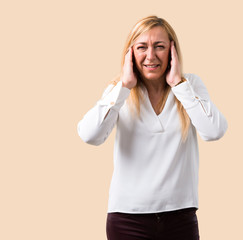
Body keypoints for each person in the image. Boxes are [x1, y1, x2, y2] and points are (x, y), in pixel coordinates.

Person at [77, 15, 228, 240]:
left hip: (181, 216)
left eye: (159, 47)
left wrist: (178, 84)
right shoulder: (119, 90)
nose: (151, 56)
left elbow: (214, 131)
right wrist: (124, 87)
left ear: (172, 51)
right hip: (127, 218)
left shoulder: (190, 85)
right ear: (130, 53)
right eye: (141, 47)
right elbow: (90, 135)